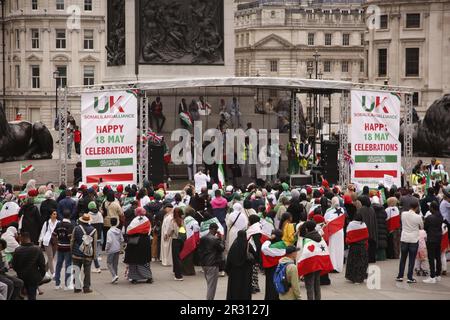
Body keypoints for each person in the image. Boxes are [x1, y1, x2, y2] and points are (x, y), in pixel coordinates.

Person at [11, 232, 46, 300]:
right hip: (33, 277)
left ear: (22, 238)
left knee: (21, 295)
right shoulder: (37, 249)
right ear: (29, 238)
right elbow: (42, 265)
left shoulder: (17, 250)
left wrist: (19, 273)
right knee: (32, 296)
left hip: (21, 277)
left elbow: (14, 265)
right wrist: (40, 276)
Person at [396, 201, 423, 283]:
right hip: (414, 239)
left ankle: (400, 276)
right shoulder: (418, 217)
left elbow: (402, 223)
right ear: (417, 207)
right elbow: (421, 227)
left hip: (404, 238)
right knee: (411, 259)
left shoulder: (403, 214)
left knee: (403, 258)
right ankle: (409, 277)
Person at [124, 208, 153, 284]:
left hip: (136, 242)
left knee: (134, 260)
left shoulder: (135, 220)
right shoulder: (147, 220)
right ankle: (148, 277)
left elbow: (129, 231)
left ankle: (134, 278)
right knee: (145, 260)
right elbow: (149, 230)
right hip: (145, 241)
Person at [71, 213, 97, 293]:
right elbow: (94, 244)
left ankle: (77, 287)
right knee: (87, 272)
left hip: (76, 254)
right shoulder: (94, 230)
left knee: (76, 270)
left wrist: (72, 251)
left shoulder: (76, 228)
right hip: (88, 254)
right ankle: (86, 288)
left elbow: (72, 240)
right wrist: (94, 255)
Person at [225, 230, 255, 300]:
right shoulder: (248, 245)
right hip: (246, 272)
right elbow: (255, 256)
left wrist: (227, 270)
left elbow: (229, 258)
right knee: (245, 288)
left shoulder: (234, 245)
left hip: (234, 272)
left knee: (234, 288)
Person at [198, 223, 225, 300]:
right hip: (212, 264)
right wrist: (221, 239)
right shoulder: (215, 239)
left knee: (209, 284)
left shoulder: (203, 238)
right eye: (216, 230)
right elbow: (222, 248)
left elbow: (199, 251)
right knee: (211, 286)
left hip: (204, 264)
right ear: (214, 229)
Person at [345, 212, 369, 284]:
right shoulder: (363, 224)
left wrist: (348, 242)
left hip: (354, 246)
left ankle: (353, 277)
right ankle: (361, 277)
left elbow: (348, 234)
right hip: (362, 246)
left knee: (353, 262)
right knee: (362, 262)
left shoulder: (351, 224)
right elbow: (367, 235)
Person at [53, 210, 74, 290]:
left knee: (59, 265)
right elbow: (70, 237)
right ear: (69, 216)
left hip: (60, 246)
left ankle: (57, 284)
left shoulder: (58, 224)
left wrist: (57, 243)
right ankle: (67, 284)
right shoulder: (70, 225)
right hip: (68, 247)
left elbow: (54, 235)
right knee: (68, 265)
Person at [423, 201, 443, 283]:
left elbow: (425, 228)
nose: (429, 208)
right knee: (438, 257)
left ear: (432, 208)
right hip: (438, 238)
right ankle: (438, 275)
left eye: (430, 207)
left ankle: (432, 276)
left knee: (431, 258)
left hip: (431, 239)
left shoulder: (429, 218)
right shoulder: (440, 216)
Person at [324, 198, 345, 273]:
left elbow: (325, 220)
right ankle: (339, 266)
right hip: (340, 231)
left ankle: (333, 266)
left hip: (332, 232)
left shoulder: (328, 211)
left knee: (332, 249)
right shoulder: (342, 210)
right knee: (339, 249)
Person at [357, 195, 378, 263]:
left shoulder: (361, 210)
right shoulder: (372, 209)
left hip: (364, 231)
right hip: (372, 230)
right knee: (371, 245)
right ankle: (372, 258)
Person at [38, 210, 59, 278]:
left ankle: (44, 271)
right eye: (54, 214)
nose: (55, 215)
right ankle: (53, 273)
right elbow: (43, 232)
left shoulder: (58, 222)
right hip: (47, 241)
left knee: (51, 257)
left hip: (55, 241)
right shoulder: (46, 223)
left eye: (56, 214)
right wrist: (40, 241)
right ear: (51, 215)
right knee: (50, 257)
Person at [166, 208, 185, 281]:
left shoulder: (173, 221)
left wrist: (167, 235)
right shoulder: (182, 221)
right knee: (179, 257)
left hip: (175, 240)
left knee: (176, 258)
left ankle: (178, 275)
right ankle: (179, 272)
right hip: (182, 240)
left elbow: (170, 230)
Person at [106, 217, 124, 284]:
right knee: (115, 264)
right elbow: (122, 240)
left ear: (110, 223)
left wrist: (107, 248)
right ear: (117, 223)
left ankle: (114, 275)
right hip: (117, 248)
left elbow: (109, 241)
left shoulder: (109, 231)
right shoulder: (119, 231)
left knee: (109, 263)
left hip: (111, 249)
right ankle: (115, 277)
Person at [88, 201, 104, 273]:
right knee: (96, 250)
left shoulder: (88, 215)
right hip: (99, 234)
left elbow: (88, 226)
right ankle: (95, 265)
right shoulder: (100, 214)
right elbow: (102, 224)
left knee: (92, 252)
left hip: (91, 235)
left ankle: (97, 267)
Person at [372, 196, 388, 261]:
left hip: (375, 227)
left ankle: (375, 256)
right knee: (382, 239)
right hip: (382, 226)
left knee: (376, 240)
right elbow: (385, 216)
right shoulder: (382, 209)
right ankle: (382, 257)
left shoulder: (371, 208)